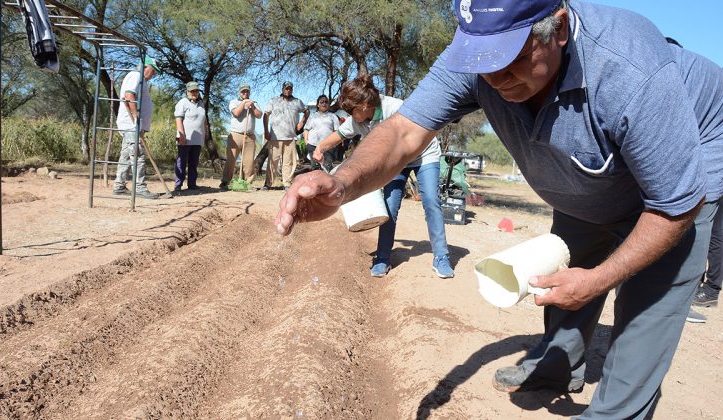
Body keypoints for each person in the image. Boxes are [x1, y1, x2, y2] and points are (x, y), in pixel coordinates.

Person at [275, 1, 723, 418]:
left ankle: (617, 409)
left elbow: (674, 205)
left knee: (645, 311)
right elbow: (403, 132)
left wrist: (601, 279)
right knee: (567, 260)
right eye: (480, 59)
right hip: (594, 177)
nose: (493, 75)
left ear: (559, 29)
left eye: (509, 57)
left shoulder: (631, 71)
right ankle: (557, 365)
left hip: (685, 162)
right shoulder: (479, 54)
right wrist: (342, 183)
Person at [313, 75, 454, 278]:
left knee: (431, 201)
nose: (350, 115)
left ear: (364, 104)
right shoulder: (358, 120)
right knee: (389, 206)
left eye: (352, 110)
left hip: (425, 154)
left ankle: (441, 256)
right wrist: (320, 147)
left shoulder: (396, 108)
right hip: (396, 161)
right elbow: (340, 135)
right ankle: (382, 257)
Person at [113, 56, 160, 199]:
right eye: (153, 71)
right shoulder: (135, 76)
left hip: (133, 125)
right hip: (131, 124)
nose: (154, 74)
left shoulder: (142, 80)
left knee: (126, 156)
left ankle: (119, 186)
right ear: (145, 66)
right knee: (138, 155)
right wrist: (136, 118)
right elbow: (129, 96)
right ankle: (140, 187)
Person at [262, 81, 309, 190]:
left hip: (290, 137)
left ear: (292, 90)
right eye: (286, 88)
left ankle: (287, 183)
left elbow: (306, 111)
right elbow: (266, 115)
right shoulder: (274, 100)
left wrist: (302, 122)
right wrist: (266, 131)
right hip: (275, 137)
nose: (288, 90)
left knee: (288, 162)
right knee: (272, 161)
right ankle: (268, 184)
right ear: (282, 89)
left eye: (290, 89)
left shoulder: (297, 102)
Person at [220, 82, 262, 190]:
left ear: (249, 92)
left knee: (248, 162)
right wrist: (243, 104)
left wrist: (252, 106)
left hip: (249, 136)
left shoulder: (254, 102)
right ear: (239, 92)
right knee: (231, 160)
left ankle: (247, 183)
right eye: (243, 91)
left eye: (247, 91)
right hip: (235, 135)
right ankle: (225, 182)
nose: (245, 93)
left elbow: (259, 115)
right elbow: (236, 113)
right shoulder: (234, 102)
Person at [173, 81, 207, 192]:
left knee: (193, 162)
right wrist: (182, 135)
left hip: (197, 139)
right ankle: (178, 185)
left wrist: (204, 134)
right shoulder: (182, 102)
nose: (194, 93)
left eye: (196, 90)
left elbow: (204, 121)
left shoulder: (201, 104)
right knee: (181, 161)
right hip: (185, 137)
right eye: (192, 91)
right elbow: (178, 119)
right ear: (187, 91)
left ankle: (192, 184)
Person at [303, 94, 340, 172]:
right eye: (322, 102)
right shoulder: (313, 116)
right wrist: (307, 143)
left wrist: (334, 144)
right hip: (313, 146)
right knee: (315, 169)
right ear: (318, 105)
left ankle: (327, 184)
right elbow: (306, 130)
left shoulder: (333, 116)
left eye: (326, 102)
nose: (324, 104)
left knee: (327, 168)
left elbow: (337, 132)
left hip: (328, 146)